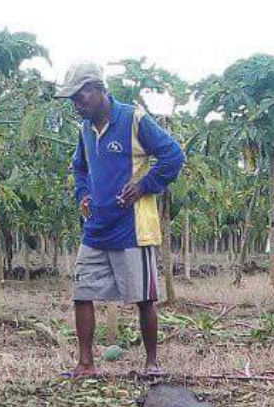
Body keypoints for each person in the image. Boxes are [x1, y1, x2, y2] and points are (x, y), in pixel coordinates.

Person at [54, 61, 185, 378]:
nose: (76, 105)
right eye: (72, 100)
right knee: (82, 293)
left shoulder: (133, 119)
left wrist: (144, 186)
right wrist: (83, 194)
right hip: (96, 227)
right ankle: (86, 364)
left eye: (79, 97)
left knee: (144, 298)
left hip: (133, 227)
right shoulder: (85, 129)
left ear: (98, 89)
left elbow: (173, 155)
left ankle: (151, 363)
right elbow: (79, 167)